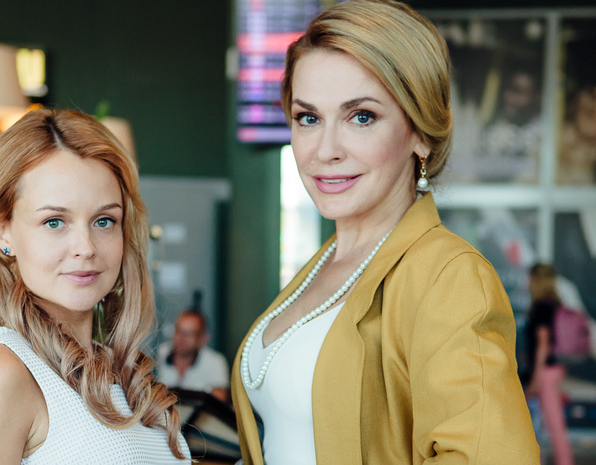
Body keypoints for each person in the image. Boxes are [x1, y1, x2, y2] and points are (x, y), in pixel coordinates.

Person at [230, 1, 540, 463]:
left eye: (361, 116)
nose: (325, 150)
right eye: (308, 118)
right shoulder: (325, 265)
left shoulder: (447, 277)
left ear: (421, 133)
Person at [0, 108, 189, 464]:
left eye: (104, 221)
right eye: (55, 222)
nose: (85, 248)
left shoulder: (120, 373)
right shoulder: (4, 374)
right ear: (2, 233)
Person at [525, 263, 574, 465]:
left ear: (537, 280)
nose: (527, 282)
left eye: (530, 278)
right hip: (554, 369)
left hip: (545, 372)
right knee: (547, 424)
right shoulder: (555, 304)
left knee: (551, 425)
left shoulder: (541, 307)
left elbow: (543, 343)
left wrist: (535, 378)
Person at [156, 309, 230, 402]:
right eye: (178, 331)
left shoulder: (215, 361)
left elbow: (219, 400)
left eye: (189, 334)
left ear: (202, 338)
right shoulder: (158, 354)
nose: (182, 338)